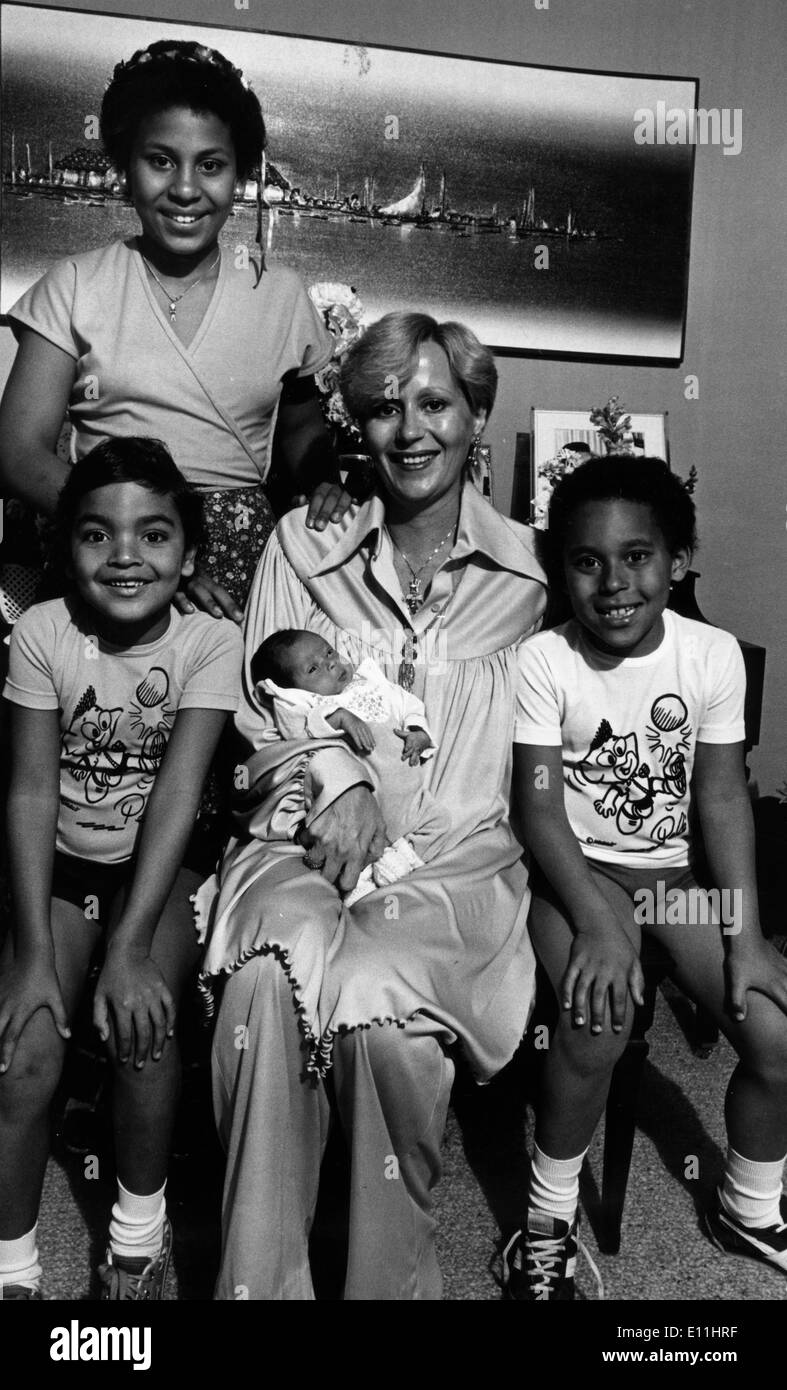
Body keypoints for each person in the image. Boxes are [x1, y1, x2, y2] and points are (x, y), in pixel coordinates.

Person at [196, 311, 548, 1299]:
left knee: (382, 1016)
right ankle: (259, 1285)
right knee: (267, 978)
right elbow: (263, 704)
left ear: (478, 413)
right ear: (359, 426)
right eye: (385, 408)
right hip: (300, 836)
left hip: (453, 858)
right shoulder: (302, 546)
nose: (412, 429)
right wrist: (343, 779)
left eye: (435, 402)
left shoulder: (528, 573)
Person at [510, 455, 787, 1300]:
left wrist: (744, 936)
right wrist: (596, 920)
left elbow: (721, 798)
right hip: (574, 876)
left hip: (670, 879)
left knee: (775, 1033)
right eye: (586, 561)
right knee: (596, 1020)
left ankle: (747, 1205)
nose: (613, 582)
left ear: (677, 561)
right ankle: (544, 1230)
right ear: (562, 569)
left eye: (637, 556)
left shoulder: (711, 657)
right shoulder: (542, 660)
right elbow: (538, 814)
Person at [0, 438, 243, 1300]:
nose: (127, 556)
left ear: (187, 552)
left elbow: (178, 796)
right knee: (25, 1046)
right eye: (98, 535)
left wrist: (133, 947)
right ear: (66, 548)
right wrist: (34, 956)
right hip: (62, 871)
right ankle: (14, 1270)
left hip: (159, 873)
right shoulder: (42, 631)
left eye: (154, 534)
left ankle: (137, 1244)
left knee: (145, 1030)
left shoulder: (210, 642)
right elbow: (30, 794)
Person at [0, 38, 346, 626]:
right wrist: (134, 538)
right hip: (110, 563)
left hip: (240, 578)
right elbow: (16, 453)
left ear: (238, 176)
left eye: (210, 165)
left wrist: (324, 483)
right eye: (160, 160)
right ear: (124, 168)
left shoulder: (281, 294)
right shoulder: (75, 285)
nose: (185, 188)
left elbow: (302, 436)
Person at [248, 628, 447, 905]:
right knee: (353, 846)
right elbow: (298, 733)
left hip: (408, 795)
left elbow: (408, 704)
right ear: (291, 688)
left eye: (329, 652)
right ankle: (362, 885)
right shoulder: (310, 704)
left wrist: (417, 731)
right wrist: (338, 718)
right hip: (366, 806)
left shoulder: (370, 682)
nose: (331, 663)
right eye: (313, 668)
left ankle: (400, 859)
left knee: (440, 821)